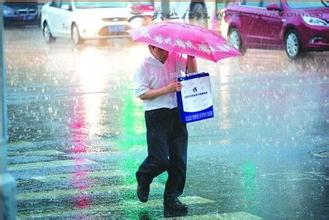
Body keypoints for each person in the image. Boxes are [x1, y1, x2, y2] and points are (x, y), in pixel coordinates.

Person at [133, 45, 197, 215]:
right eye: (160, 50)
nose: (165, 53)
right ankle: (144, 176)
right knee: (160, 159)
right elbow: (142, 94)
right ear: (150, 48)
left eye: (166, 49)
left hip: (177, 113)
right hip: (156, 115)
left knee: (179, 161)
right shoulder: (143, 66)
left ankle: (171, 199)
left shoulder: (175, 57)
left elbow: (192, 75)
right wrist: (167, 89)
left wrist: (191, 57)